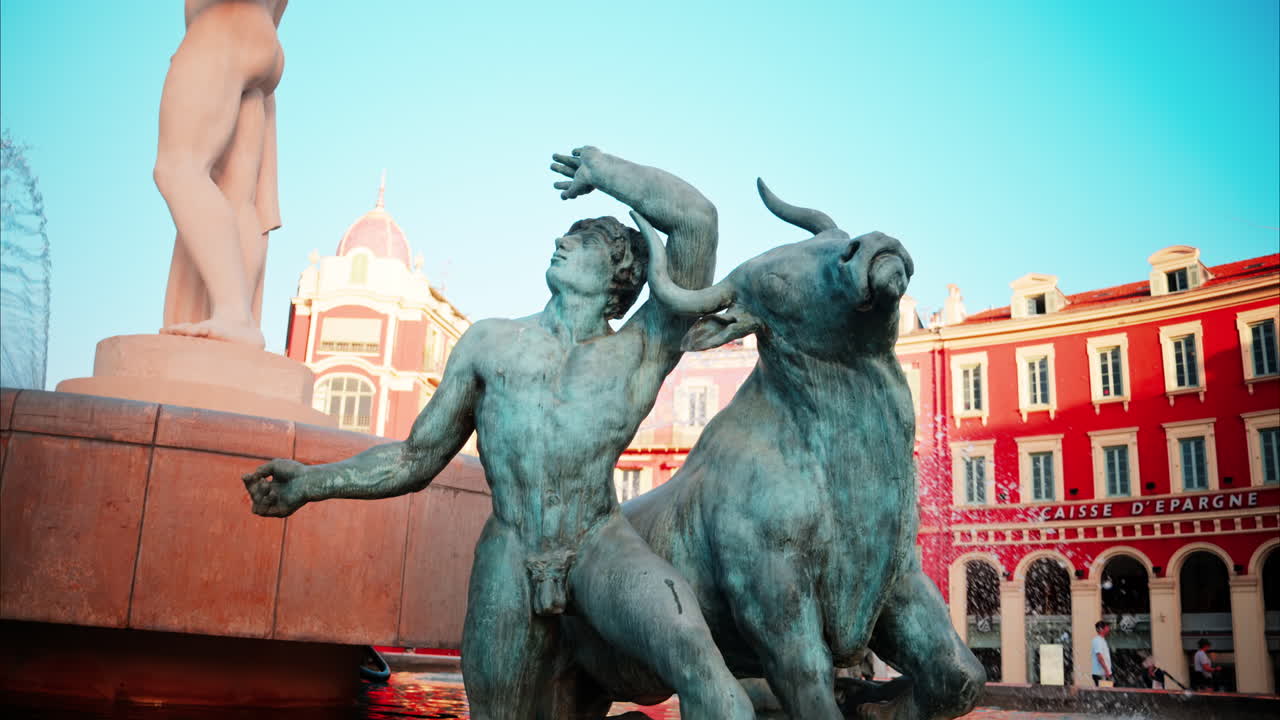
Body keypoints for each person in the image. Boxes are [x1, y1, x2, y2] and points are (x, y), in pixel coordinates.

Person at [242, 147, 755, 719]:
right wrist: (312, 484)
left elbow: (697, 221)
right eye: (567, 236)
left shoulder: (637, 350)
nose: (562, 243)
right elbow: (416, 457)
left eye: (583, 241)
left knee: (692, 648)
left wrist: (605, 173)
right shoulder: (489, 343)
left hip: (597, 542)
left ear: (617, 275)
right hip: (511, 549)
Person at [154, 0, 289, 349]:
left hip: (220, 25)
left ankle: (234, 314)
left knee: (178, 169)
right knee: (237, 197)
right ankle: (235, 315)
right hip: (262, 36)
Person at [1091, 620, 1113, 686]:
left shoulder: (1102, 640)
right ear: (1101, 629)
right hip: (1100, 674)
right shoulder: (1098, 640)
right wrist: (1107, 671)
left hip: (1103, 673)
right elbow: (1099, 657)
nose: (1108, 628)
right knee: (1103, 694)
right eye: (1107, 627)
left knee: (1106, 693)